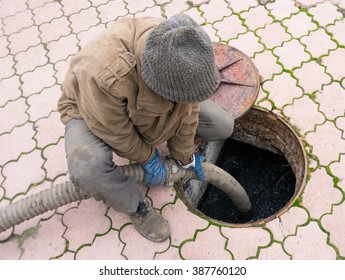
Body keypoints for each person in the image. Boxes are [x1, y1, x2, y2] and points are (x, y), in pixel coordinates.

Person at [57, 14, 234, 242]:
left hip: (146, 101)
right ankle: (135, 207)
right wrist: (148, 158)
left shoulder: (177, 42)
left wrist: (185, 156)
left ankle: (162, 139)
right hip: (90, 107)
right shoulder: (104, 73)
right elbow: (115, 131)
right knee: (87, 169)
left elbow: (188, 109)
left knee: (222, 125)